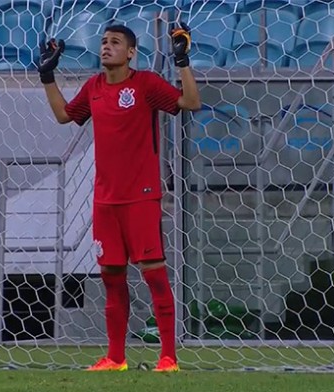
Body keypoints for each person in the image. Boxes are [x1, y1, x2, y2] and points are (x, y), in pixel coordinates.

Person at [39, 23, 201, 372]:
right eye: (103, 42)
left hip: (141, 197)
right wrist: (47, 76)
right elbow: (64, 115)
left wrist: (182, 62)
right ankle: (115, 358)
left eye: (115, 42)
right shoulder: (94, 87)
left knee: (154, 275)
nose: (106, 47)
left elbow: (191, 102)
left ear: (131, 52)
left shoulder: (144, 85)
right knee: (112, 278)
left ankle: (168, 358)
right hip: (105, 201)